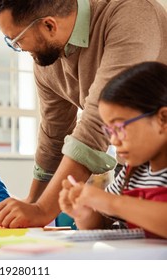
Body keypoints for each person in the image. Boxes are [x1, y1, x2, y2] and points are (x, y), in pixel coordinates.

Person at [0, 0, 167, 228]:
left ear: (49, 25)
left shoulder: (133, 13)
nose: (19, 48)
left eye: (16, 40)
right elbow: (53, 135)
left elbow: (95, 123)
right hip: (134, 168)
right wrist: (33, 202)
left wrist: (43, 209)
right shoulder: (46, 55)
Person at [59, 61, 167, 238]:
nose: (113, 140)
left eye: (120, 127)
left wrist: (112, 203)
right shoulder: (131, 173)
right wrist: (84, 213)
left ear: (163, 118)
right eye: (109, 131)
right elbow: (104, 224)